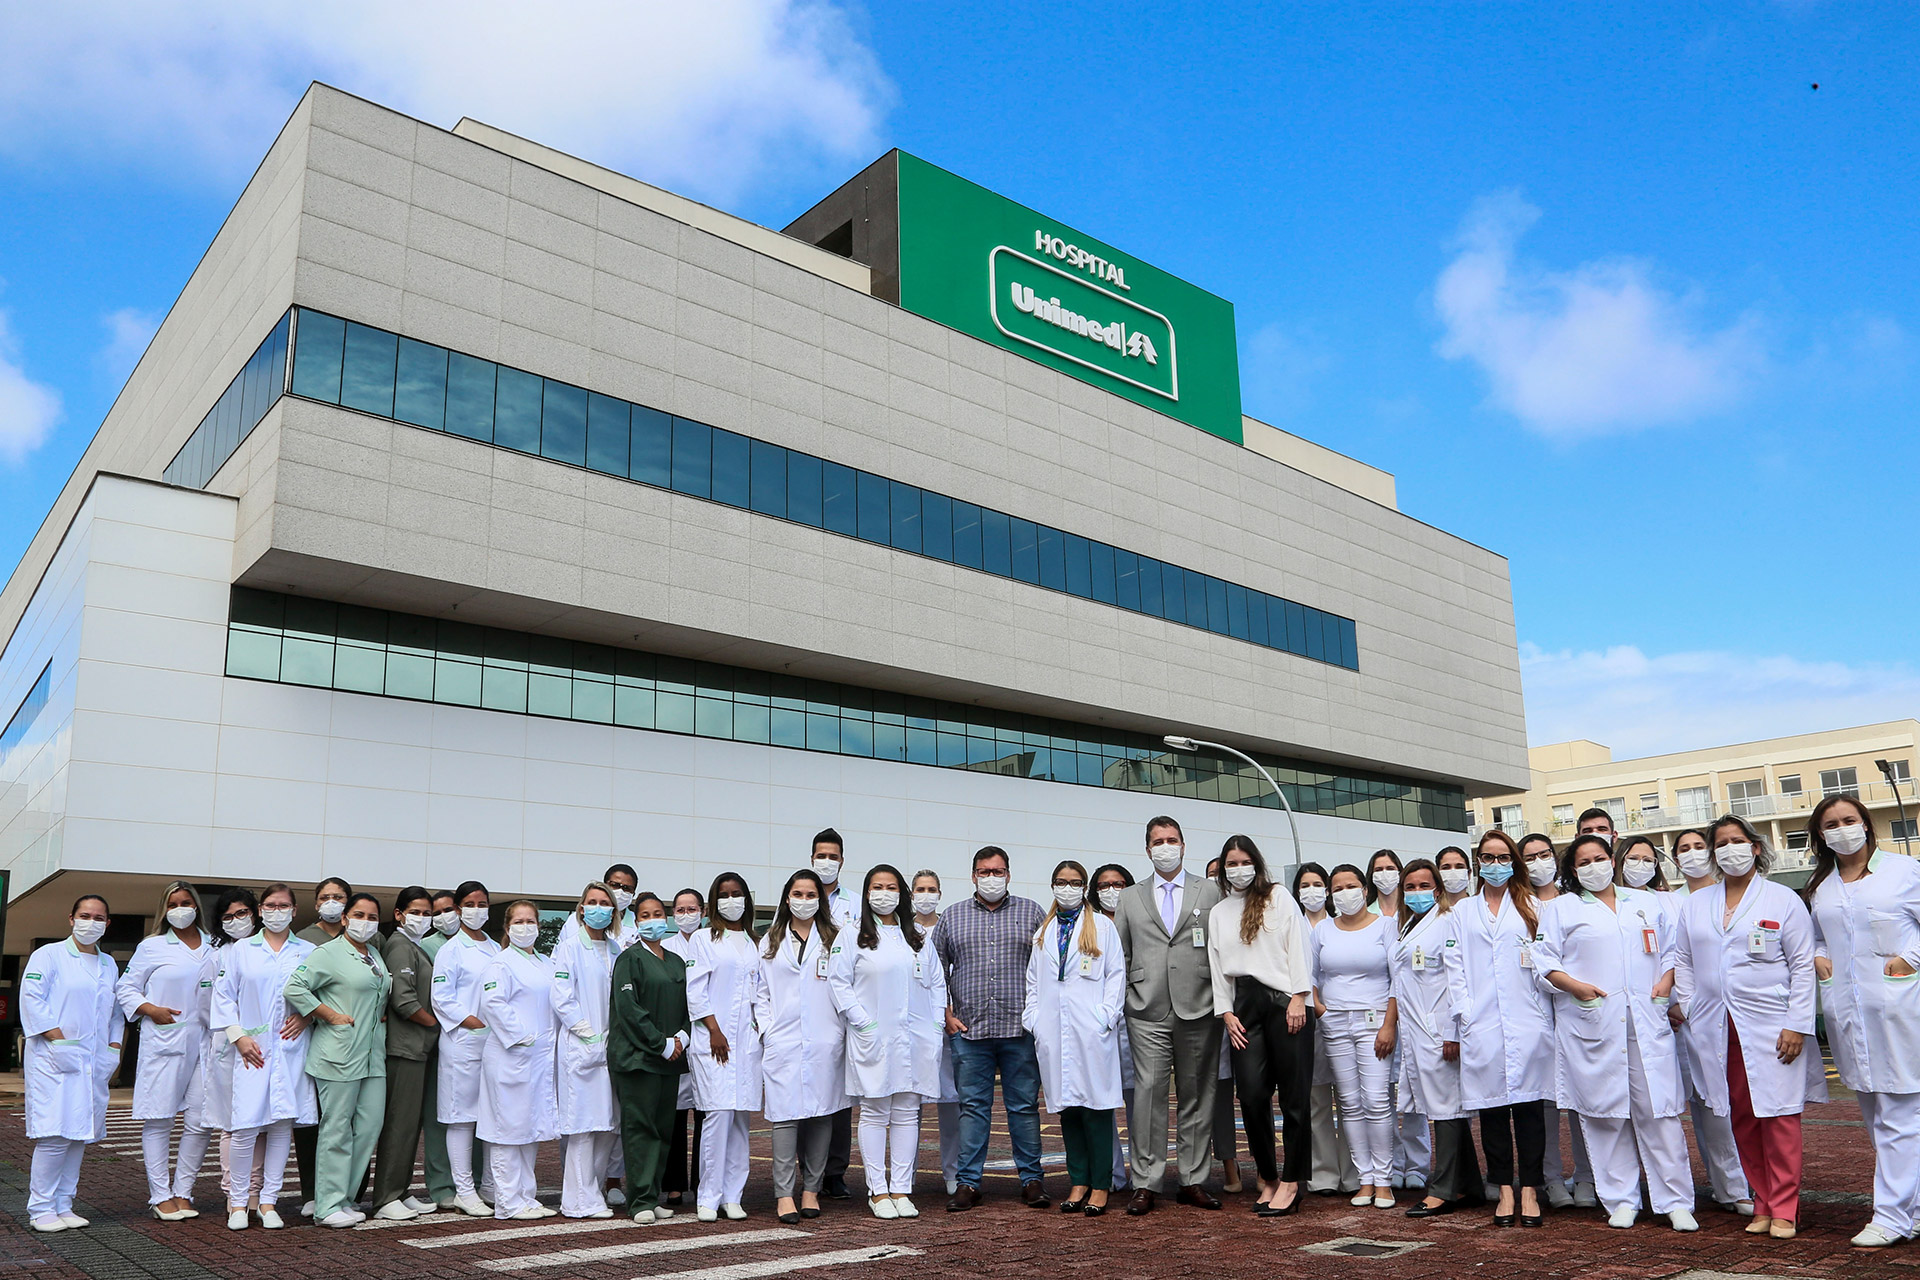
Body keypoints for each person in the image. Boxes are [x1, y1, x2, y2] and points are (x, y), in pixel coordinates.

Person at [1672, 815, 1825, 1240]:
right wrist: (1689, 1004)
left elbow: (1801, 965)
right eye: (1720, 843)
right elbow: (1682, 959)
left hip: (1771, 1026)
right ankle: (1761, 1200)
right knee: (1742, 1117)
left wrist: (1797, 1024)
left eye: (1737, 841)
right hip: (1717, 1028)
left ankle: (1785, 1207)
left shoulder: (1781, 899)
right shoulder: (1696, 903)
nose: (1729, 849)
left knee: (1778, 1117)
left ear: (1755, 848)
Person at [1534, 835, 1697, 1231]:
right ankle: (1621, 1199)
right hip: (1593, 1021)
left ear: (1613, 860)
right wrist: (1574, 987)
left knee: (1658, 1112)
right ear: (1573, 870)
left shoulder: (1645, 902)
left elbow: (1675, 950)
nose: (1593, 866)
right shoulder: (1561, 908)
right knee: (1605, 1115)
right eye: (1583, 862)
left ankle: (1675, 1201)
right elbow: (1542, 960)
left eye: (1600, 858)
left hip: (1647, 1018)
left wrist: (1666, 983)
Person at [1803, 794, 1920, 1248]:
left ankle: (1890, 1216)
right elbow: (1817, 934)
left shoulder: (1905, 872)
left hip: (1900, 1008)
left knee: (1900, 1114)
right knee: (1876, 1114)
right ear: (1821, 835)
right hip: (1849, 1014)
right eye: (1830, 824)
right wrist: (1820, 959)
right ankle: (1912, 1210)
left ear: (1866, 825)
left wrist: (1908, 959)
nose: (1841, 829)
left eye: (1848, 820)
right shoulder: (1823, 885)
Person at [1114, 816, 1225, 1214]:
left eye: (1172, 839)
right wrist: (1128, 997)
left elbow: (1221, 947)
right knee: (1148, 1095)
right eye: (1158, 841)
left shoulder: (1210, 891)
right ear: (1147, 849)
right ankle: (1146, 1182)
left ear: (1184, 844)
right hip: (1146, 1009)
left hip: (1200, 1005)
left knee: (1198, 1095)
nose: (1166, 846)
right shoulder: (1129, 897)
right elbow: (1121, 955)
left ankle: (1193, 1179)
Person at [1446, 830, 1552, 1228]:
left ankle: (1530, 1189)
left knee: (1529, 1108)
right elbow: (1453, 968)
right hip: (1482, 1021)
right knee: (1491, 1108)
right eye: (1487, 858)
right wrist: (1465, 1013)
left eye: (1502, 857)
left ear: (1514, 862)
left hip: (1527, 1018)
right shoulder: (1462, 912)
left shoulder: (1532, 906)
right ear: (1479, 864)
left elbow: (1544, 961)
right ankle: (1504, 1189)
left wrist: (1543, 1014)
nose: (1495, 865)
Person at [934, 845, 1049, 1210]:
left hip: (1020, 1030)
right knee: (973, 1108)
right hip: (969, 1031)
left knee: (1024, 1107)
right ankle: (968, 1182)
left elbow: (1047, 968)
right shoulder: (951, 917)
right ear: (973, 876)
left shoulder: (1032, 912)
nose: (991, 878)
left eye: (998, 872)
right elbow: (936, 973)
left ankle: (1031, 1180)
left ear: (1009, 875)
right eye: (984, 872)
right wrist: (946, 1015)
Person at [831, 863, 947, 1219]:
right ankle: (878, 1191)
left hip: (915, 1037)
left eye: (892, 886)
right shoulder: (852, 934)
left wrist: (936, 1024)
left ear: (902, 893)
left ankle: (901, 1188)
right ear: (867, 893)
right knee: (875, 1111)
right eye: (877, 886)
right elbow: (838, 983)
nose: (885, 893)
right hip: (874, 1036)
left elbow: (937, 982)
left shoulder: (917, 937)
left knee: (907, 1114)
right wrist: (862, 1022)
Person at [1209, 835, 1312, 1216]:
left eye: (1245, 861)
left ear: (1257, 862)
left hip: (1285, 1001)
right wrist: (1226, 1012)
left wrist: (1300, 996)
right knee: (1251, 1095)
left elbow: (1298, 945)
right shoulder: (1219, 911)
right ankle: (1267, 1176)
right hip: (1243, 1006)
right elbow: (1217, 964)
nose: (1239, 869)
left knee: (1294, 1098)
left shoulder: (1279, 897)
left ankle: (1291, 1181)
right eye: (1231, 863)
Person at [210, 883, 313, 1232]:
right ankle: (239, 1203)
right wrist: (238, 1038)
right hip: (251, 1050)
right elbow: (223, 997)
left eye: (283, 905)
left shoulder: (308, 951)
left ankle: (269, 1201)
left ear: (294, 910)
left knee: (281, 1125)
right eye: (269, 905)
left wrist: (307, 1016)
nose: (276, 911)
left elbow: (322, 994)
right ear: (260, 911)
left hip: (290, 1047)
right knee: (245, 1126)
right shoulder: (241, 950)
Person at [1024, 860, 1126, 1216]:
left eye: (1074, 882)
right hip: (1054, 1031)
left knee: (1096, 1109)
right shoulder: (1044, 931)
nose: (1066, 888)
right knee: (1068, 1109)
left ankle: (1100, 1185)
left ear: (1085, 888)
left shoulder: (1100, 926)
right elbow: (1033, 983)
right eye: (1060, 882)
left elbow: (1115, 976)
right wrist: (1034, 1019)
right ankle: (1078, 1180)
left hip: (1091, 1030)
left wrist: (1105, 1017)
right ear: (1052, 886)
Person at [285, 892, 391, 1228]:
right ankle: (326, 1205)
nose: (365, 922)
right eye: (359, 915)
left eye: (372, 917)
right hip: (339, 1053)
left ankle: (345, 1198)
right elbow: (295, 987)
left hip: (373, 1055)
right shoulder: (328, 953)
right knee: (336, 1129)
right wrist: (328, 1015)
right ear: (345, 918)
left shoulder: (373, 954)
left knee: (369, 1127)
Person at [21, 894, 124, 1233]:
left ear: (107, 924)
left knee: (79, 1133)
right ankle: (41, 1208)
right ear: (71, 918)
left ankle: (64, 1204)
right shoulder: (48, 955)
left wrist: (113, 1048)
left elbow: (115, 1013)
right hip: (55, 1058)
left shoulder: (109, 964)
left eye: (98, 917)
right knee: (54, 1134)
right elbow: (32, 1000)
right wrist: (59, 1039)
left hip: (93, 1061)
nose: (91, 922)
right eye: (85, 915)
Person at [115, 881, 215, 1222]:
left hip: (208, 1042)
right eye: (173, 904)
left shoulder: (215, 946)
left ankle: (184, 1190)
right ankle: (160, 1195)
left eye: (186, 902)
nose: (180, 909)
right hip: (166, 1040)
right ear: (165, 909)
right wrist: (149, 1009)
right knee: (159, 1118)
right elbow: (125, 987)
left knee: (201, 1120)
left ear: (197, 906)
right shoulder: (152, 946)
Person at [756, 869, 849, 1224]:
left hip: (825, 1040)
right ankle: (784, 1194)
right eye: (798, 893)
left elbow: (845, 985)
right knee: (785, 1118)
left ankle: (811, 1189)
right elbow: (760, 993)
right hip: (783, 1040)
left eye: (812, 895)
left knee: (823, 1115)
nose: (805, 900)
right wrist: (768, 1031)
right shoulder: (770, 940)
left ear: (821, 900)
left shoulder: (836, 938)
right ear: (786, 897)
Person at [1667, 827, 1752, 1213]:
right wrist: (1682, 1004)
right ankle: (1731, 1187)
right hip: (1688, 1018)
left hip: (1740, 1014)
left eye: (1699, 846)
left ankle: (1756, 1180)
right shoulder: (1670, 902)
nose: (1693, 854)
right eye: (1683, 849)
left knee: (1741, 1099)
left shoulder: (1735, 893)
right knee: (1707, 1104)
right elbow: (1675, 959)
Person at [1392, 860, 1476, 1218]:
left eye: (1424, 885)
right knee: (1445, 1109)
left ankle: (1441, 1188)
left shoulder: (1446, 923)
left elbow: (1458, 980)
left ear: (1438, 889)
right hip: (1416, 1032)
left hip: (1439, 1030)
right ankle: (1469, 1185)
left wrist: (1452, 1031)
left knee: (1447, 1111)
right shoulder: (1408, 926)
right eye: (1409, 887)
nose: (1416, 893)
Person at [1312, 864, 1397, 1209]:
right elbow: (1311, 976)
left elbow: (1398, 978)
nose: (1345, 893)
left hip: (1375, 1022)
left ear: (1365, 890)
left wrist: (1389, 1024)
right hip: (1335, 1023)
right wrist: (1321, 1011)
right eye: (1338, 888)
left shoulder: (1386, 926)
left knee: (1376, 1100)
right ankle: (1364, 1180)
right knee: (1348, 1103)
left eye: (1351, 886)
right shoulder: (1322, 930)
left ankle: (1384, 1181)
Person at [1521, 831, 1595, 1211]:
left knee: (1583, 1099)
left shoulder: (1576, 901)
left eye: (1544, 854)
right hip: (1535, 1012)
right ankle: (1551, 1179)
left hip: (1580, 1009)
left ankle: (1587, 1176)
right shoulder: (1519, 906)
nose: (1538, 862)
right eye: (1529, 857)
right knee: (1545, 1103)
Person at [609, 893, 691, 1225]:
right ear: (636, 921)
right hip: (640, 1059)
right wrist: (660, 1044)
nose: (653, 919)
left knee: (663, 1129)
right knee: (640, 1129)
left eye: (658, 913)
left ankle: (653, 1194)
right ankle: (639, 1199)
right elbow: (630, 1011)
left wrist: (682, 1038)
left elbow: (691, 1004)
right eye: (645, 915)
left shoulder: (675, 961)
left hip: (671, 1059)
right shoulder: (629, 959)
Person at [687, 871, 763, 1222]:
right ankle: (708, 1196)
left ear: (746, 899)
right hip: (712, 1040)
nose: (731, 900)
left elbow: (759, 994)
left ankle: (733, 1195)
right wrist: (714, 1030)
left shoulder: (754, 942)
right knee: (717, 1116)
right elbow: (695, 989)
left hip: (746, 1043)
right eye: (724, 894)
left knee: (739, 1121)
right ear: (714, 901)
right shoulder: (703, 939)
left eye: (737, 894)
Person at [477, 900, 559, 1221]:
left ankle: (527, 1195)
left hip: (539, 1061)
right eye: (519, 921)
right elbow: (493, 1004)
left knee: (530, 1130)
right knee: (507, 1132)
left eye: (531, 921)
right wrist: (523, 1037)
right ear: (508, 927)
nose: (526, 927)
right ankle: (508, 1201)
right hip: (511, 1057)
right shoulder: (500, 964)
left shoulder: (545, 963)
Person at [552, 883, 624, 1219]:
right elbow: (562, 997)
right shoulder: (568, 948)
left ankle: (593, 1192)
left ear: (613, 910)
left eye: (604, 903)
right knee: (582, 1127)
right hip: (582, 1047)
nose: (599, 908)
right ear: (581, 909)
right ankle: (577, 1200)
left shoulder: (615, 948)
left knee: (607, 1126)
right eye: (592, 902)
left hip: (612, 1050)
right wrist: (588, 1034)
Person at [369, 887, 439, 1221]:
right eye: (416, 912)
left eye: (428, 913)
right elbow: (404, 1000)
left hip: (416, 1048)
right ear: (398, 914)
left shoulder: (415, 946)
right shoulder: (399, 946)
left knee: (410, 1125)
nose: (422, 918)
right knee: (399, 1123)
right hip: (404, 1047)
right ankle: (386, 1197)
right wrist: (436, 1024)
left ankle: (400, 1189)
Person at [429, 880, 497, 1216]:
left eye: (482, 903)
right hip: (464, 1042)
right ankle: (464, 1190)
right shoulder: (450, 950)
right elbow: (442, 998)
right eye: (469, 904)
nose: (476, 910)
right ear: (457, 909)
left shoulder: (496, 947)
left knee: (488, 1114)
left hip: (494, 1044)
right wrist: (472, 1022)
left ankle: (489, 1185)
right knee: (461, 1118)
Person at [1293, 862, 1359, 1197]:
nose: (1312, 890)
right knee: (1317, 1102)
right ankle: (1323, 1173)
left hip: (1344, 1019)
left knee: (1350, 1100)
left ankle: (1353, 1171)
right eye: (1305, 885)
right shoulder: (1293, 926)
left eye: (1318, 883)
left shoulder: (1339, 925)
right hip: (1306, 1021)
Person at [1367, 849, 1430, 1195]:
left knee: (1416, 1095)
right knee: (1384, 1097)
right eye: (1379, 869)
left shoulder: (1417, 915)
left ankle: (1418, 1165)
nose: (1385, 874)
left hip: (1416, 1017)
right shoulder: (1369, 915)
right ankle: (1393, 1163)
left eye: (1391, 868)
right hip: (1378, 1017)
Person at [292, 876, 351, 1215]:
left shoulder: (359, 937)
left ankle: (347, 1191)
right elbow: (297, 989)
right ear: (316, 904)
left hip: (352, 1043)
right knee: (312, 1120)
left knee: (347, 1122)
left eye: (339, 897)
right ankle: (312, 1191)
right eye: (326, 897)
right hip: (314, 1039)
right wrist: (314, 1015)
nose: (332, 902)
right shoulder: (304, 940)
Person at [202, 889, 257, 1225]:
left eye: (242, 913)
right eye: (228, 916)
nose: (237, 921)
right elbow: (214, 1001)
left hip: (262, 1043)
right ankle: (232, 1193)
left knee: (260, 1124)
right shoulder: (218, 953)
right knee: (231, 1123)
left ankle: (254, 1193)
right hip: (227, 1042)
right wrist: (235, 1035)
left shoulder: (267, 949)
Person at [911, 870, 962, 1194]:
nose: (925, 895)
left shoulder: (950, 926)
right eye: (920, 889)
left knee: (951, 1104)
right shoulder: (901, 929)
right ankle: (907, 1175)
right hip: (912, 1025)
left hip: (948, 1023)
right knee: (908, 1106)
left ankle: (953, 1175)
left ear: (940, 894)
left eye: (931, 889)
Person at [1092, 863, 1139, 1192]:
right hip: (1098, 1023)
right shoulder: (1088, 926)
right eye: (1105, 884)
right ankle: (1110, 1175)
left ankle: (1142, 1174)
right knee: (1101, 1102)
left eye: (1119, 883)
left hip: (1137, 1020)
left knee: (1141, 1102)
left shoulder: (1139, 920)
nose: (1112, 890)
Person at [416, 889, 461, 1211]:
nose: (446, 916)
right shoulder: (426, 947)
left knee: (470, 1117)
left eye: (450, 909)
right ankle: (441, 1183)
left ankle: (470, 1180)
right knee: (438, 1117)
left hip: (477, 1044)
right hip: (438, 1040)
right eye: (438, 912)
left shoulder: (484, 945)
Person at [1203, 854, 1243, 1196]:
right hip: (1211, 1014)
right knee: (1218, 1097)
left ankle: (1267, 1167)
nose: (1223, 878)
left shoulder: (1248, 912)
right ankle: (1229, 1166)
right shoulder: (1206, 915)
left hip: (1248, 1011)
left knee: (1253, 1091)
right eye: (1214, 875)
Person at [663, 887, 705, 1208]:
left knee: (706, 1114)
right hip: (676, 1039)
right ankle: (674, 1185)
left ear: (703, 911)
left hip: (706, 1038)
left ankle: (704, 1181)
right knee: (675, 1118)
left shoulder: (711, 944)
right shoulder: (665, 947)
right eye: (680, 909)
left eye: (692, 909)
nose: (686, 914)